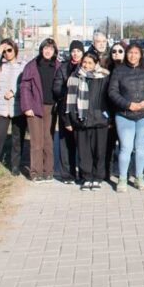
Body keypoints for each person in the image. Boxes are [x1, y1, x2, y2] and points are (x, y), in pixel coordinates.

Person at [65, 51, 111, 190]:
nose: (86, 65)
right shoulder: (75, 77)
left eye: (90, 62)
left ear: (96, 63)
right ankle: (86, 177)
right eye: (84, 62)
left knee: (99, 151)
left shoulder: (104, 77)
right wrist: (69, 120)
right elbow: (69, 100)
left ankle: (98, 177)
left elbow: (109, 99)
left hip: (100, 120)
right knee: (84, 152)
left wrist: (109, 118)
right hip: (81, 120)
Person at [109, 43, 144, 192]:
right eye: (130, 53)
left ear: (141, 55)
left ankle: (139, 177)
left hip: (143, 116)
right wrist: (128, 105)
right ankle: (122, 178)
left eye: (136, 53)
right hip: (124, 115)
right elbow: (112, 92)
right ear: (126, 54)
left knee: (141, 148)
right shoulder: (118, 71)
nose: (133, 56)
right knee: (126, 148)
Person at [0, 39, 28, 179]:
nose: (7, 53)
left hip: (18, 108)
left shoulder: (23, 65)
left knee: (18, 138)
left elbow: (25, 83)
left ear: (15, 49)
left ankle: (15, 165)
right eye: (4, 51)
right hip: (0, 108)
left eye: (9, 50)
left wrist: (14, 91)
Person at [20, 38, 60, 183]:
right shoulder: (32, 66)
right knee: (36, 142)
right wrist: (27, 107)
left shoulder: (57, 66)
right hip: (34, 107)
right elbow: (24, 87)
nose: (48, 51)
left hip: (51, 108)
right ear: (41, 49)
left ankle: (48, 171)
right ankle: (35, 172)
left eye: (51, 48)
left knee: (48, 139)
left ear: (55, 51)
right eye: (45, 48)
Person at [52, 40, 85, 183]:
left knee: (83, 143)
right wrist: (69, 91)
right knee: (66, 143)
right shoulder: (63, 68)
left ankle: (84, 173)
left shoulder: (87, 65)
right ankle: (67, 174)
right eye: (73, 51)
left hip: (83, 109)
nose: (75, 53)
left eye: (78, 51)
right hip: (66, 109)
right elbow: (56, 88)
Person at [103, 42, 126, 180]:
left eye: (120, 51)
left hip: (125, 113)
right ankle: (107, 172)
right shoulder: (105, 70)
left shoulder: (129, 69)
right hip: (109, 113)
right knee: (109, 145)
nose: (117, 53)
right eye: (114, 51)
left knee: (126, 145)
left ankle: (125, 172)